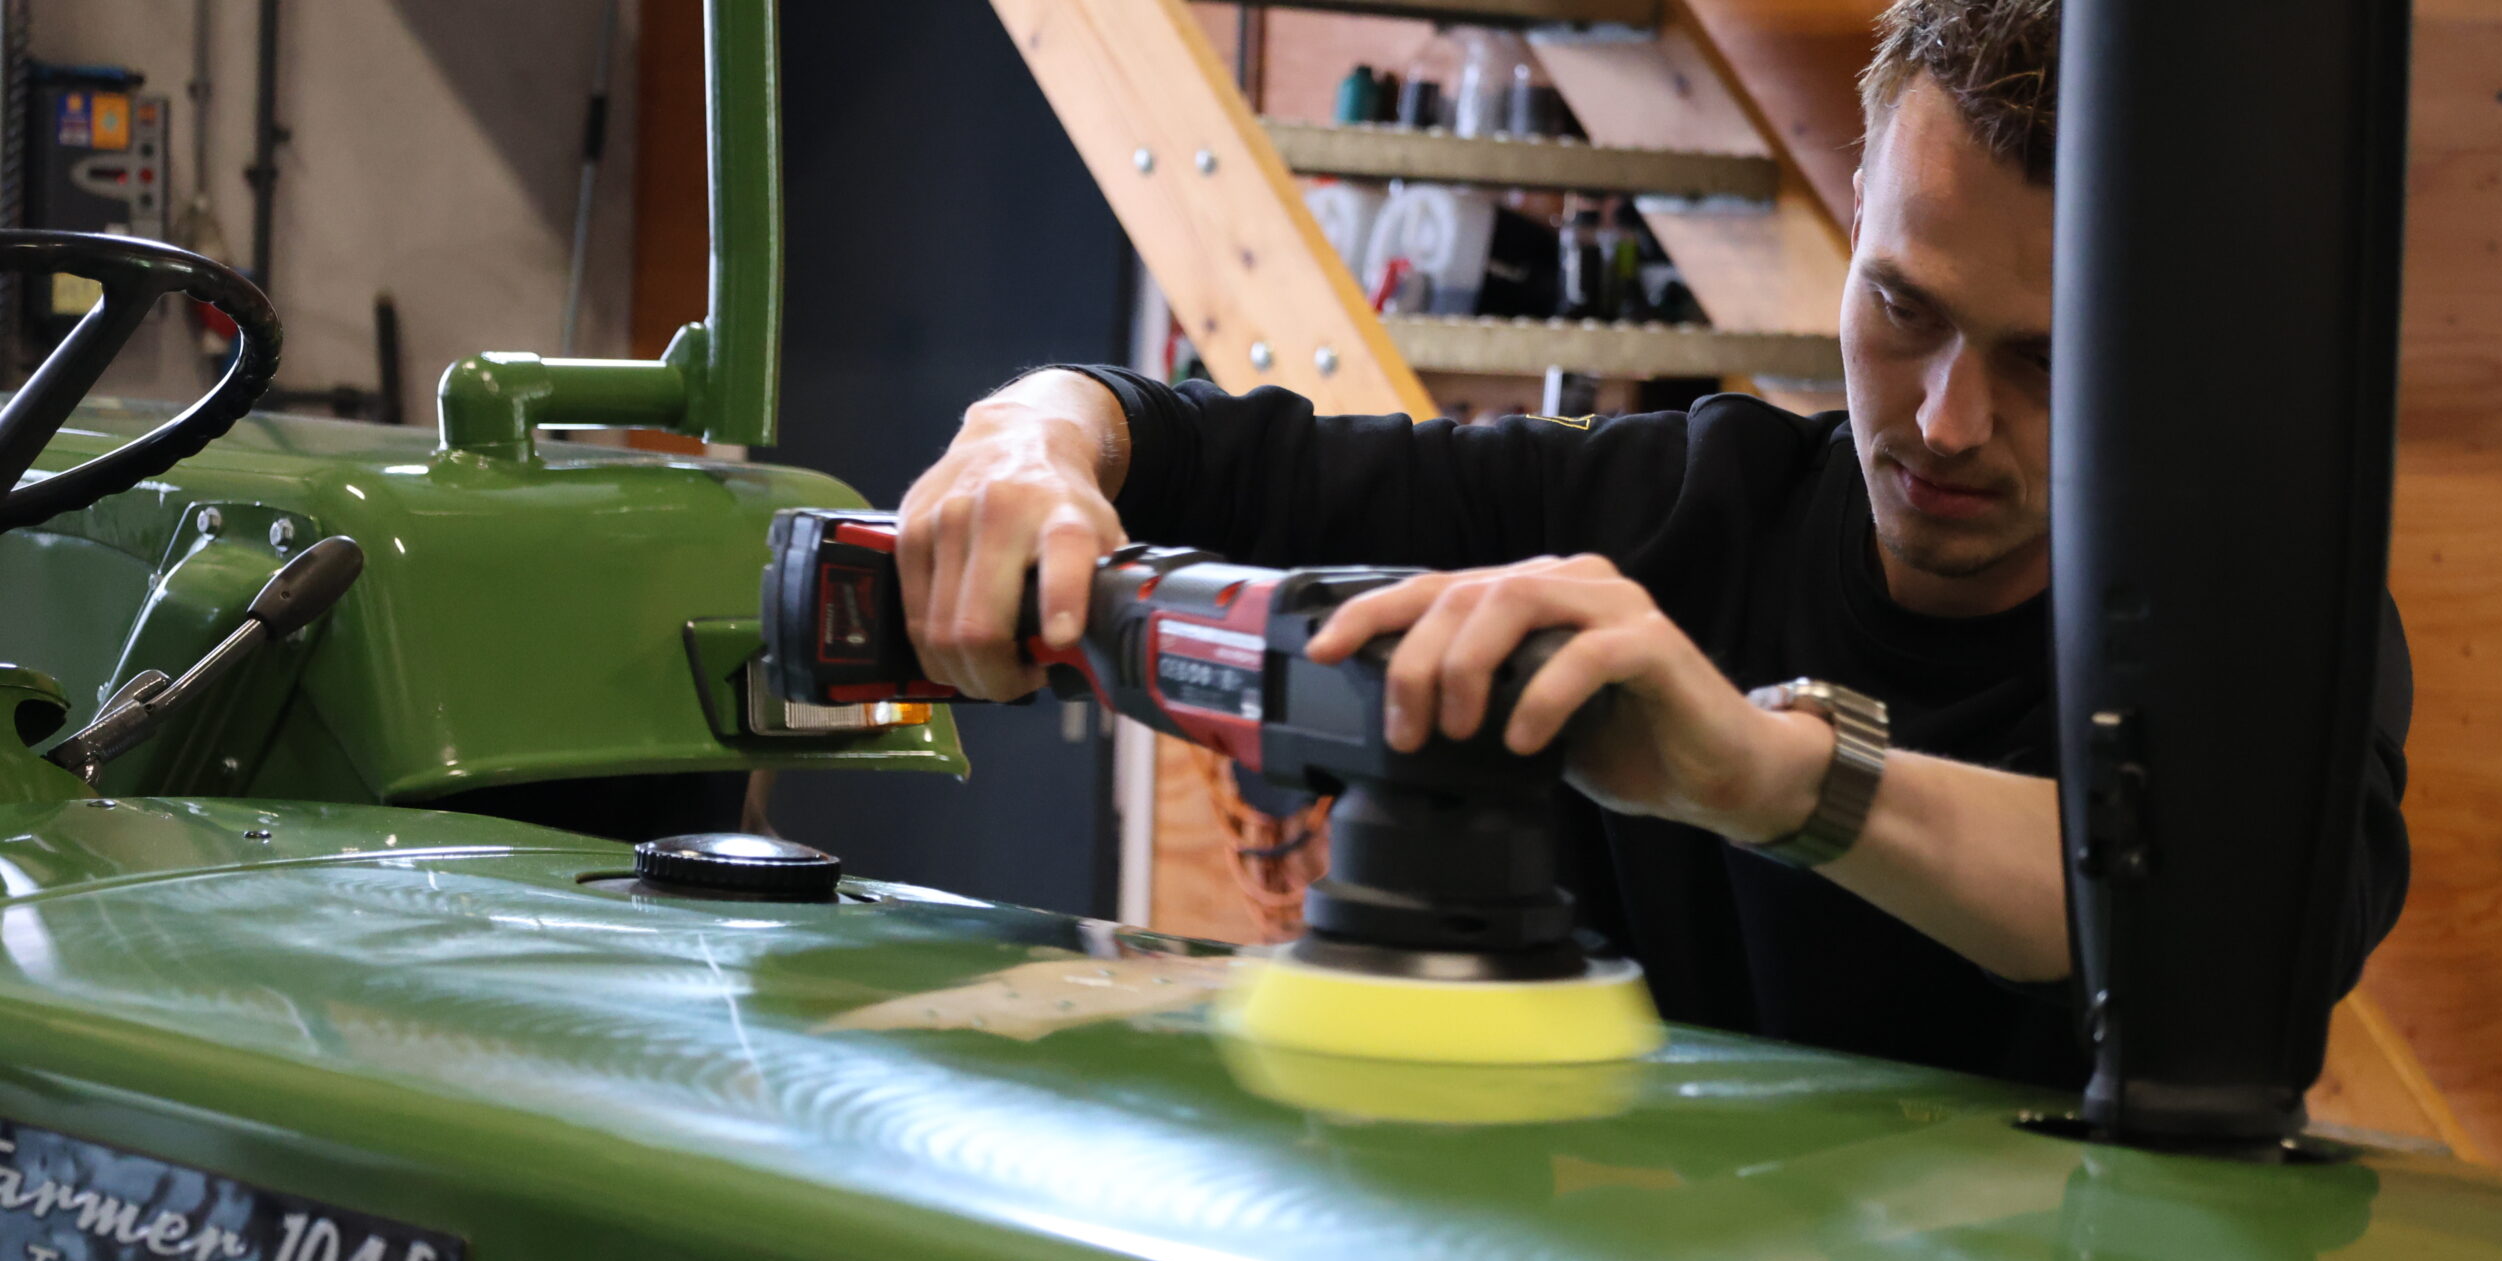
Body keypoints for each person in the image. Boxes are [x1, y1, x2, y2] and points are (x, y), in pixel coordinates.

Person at [888, 0, 2413, 1088]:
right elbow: (1194, 446)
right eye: (1902, 305)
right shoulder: (1663, 505)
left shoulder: (2256, 617)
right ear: (1861, 207)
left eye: (2045, 359)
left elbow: (2243, 922)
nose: (1948, 420)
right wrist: (1031, 440)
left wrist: (1767, 773)